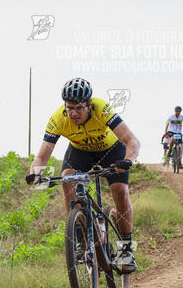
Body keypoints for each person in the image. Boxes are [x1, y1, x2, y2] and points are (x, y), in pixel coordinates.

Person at [29, 78, 140, 273]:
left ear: (89, 105)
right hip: (81, 152)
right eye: (69, 107)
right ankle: (80, 239)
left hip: (112, 149)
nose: (72, 113)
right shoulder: (59, 118)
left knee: (119, 190)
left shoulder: (102, 109)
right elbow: (42, 155)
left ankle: (126, 250)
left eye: (78, 108)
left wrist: (128, 160)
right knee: (66, 177)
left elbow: (132, 141)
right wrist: (35, 174)